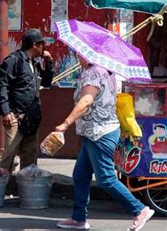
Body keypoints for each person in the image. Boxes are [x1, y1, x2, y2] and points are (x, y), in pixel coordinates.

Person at [55, 56, 154, 230]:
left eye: (79, 54)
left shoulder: (93, 72)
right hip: (96, 132)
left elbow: (86, 101)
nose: (78, 57)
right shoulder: (106, 71)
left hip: (99, 133)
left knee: (106, 178)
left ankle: (139, 209)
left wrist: (65, 124)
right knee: (80, 174)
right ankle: (79, 218)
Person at [0, 28, 56, 173]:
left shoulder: (34, 64)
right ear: (35, 45)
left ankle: (26, 192)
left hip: (32, 117)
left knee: (29, 159)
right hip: (15, 116)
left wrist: (49, 62)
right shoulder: (14, 61)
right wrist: (6, 111)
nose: (44, 48)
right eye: (42, 44)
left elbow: (46, 82)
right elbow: (1, 85)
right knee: (8, 157)